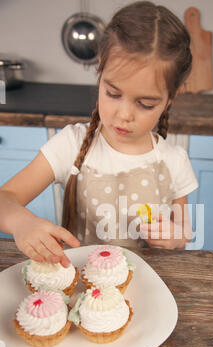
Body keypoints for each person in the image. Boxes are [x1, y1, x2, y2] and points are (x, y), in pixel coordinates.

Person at [0, 1, 198, 267]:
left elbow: (185, 233)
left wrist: (174, 237)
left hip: (143, 289)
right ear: (101, 70)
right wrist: (22, 222)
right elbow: (5, 198)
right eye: (113, 93)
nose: (124, 114)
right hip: (82, 283)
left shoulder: (175, 161)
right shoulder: (70, 145)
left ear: (170, 99)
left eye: (145, 104)